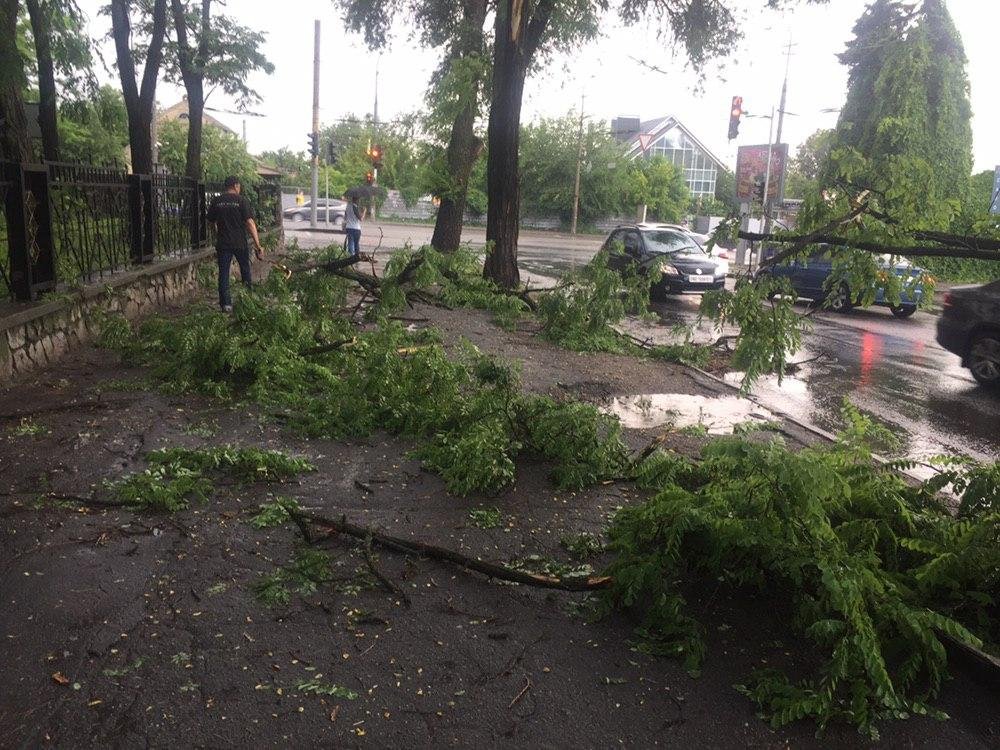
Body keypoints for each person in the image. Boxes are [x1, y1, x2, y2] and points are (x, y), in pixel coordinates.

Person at [206, 176, 263, 312]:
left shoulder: (216, 201)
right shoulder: (241, 201)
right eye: (239, 186)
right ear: (236, 186)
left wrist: (217, 234)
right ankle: (247, 300)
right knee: (245, 270)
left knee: (224, 273)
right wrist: (258, 245)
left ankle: (226, 305)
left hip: (223, 243)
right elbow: (250, 223)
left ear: (226, 187)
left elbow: (210, 222)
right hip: (239, 242)